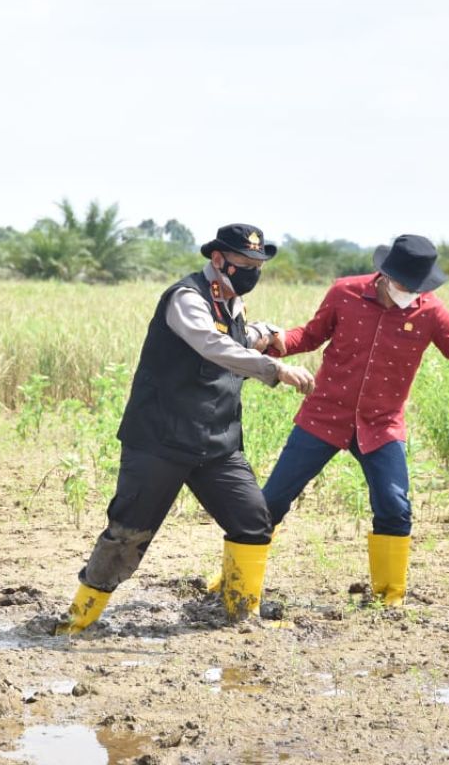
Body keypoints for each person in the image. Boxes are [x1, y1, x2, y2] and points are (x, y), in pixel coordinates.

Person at [255, 234, 449, 606]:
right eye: (403, 285)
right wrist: (275, 340)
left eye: (418, 287)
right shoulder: (344, 293)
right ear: (385, 274)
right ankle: (237, 586)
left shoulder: (430, 313)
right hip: (323, 416)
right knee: (268, 505)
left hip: (380, 426)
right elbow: (310, 336)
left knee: (395, 509)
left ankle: (387, 601)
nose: (410, 292)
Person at [54, 223, 316, 634]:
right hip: (161, 439)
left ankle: (240, 617)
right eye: (243, 263)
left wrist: (265, 336)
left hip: (216, 444)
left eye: (257, 265)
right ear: (218, 260)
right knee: (127, 534)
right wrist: (274, 368)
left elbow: (238, 337)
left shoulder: (233, 306)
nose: (251, 271)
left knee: (253, 520)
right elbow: (211, 344)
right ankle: (76, 620)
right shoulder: (186, 298)